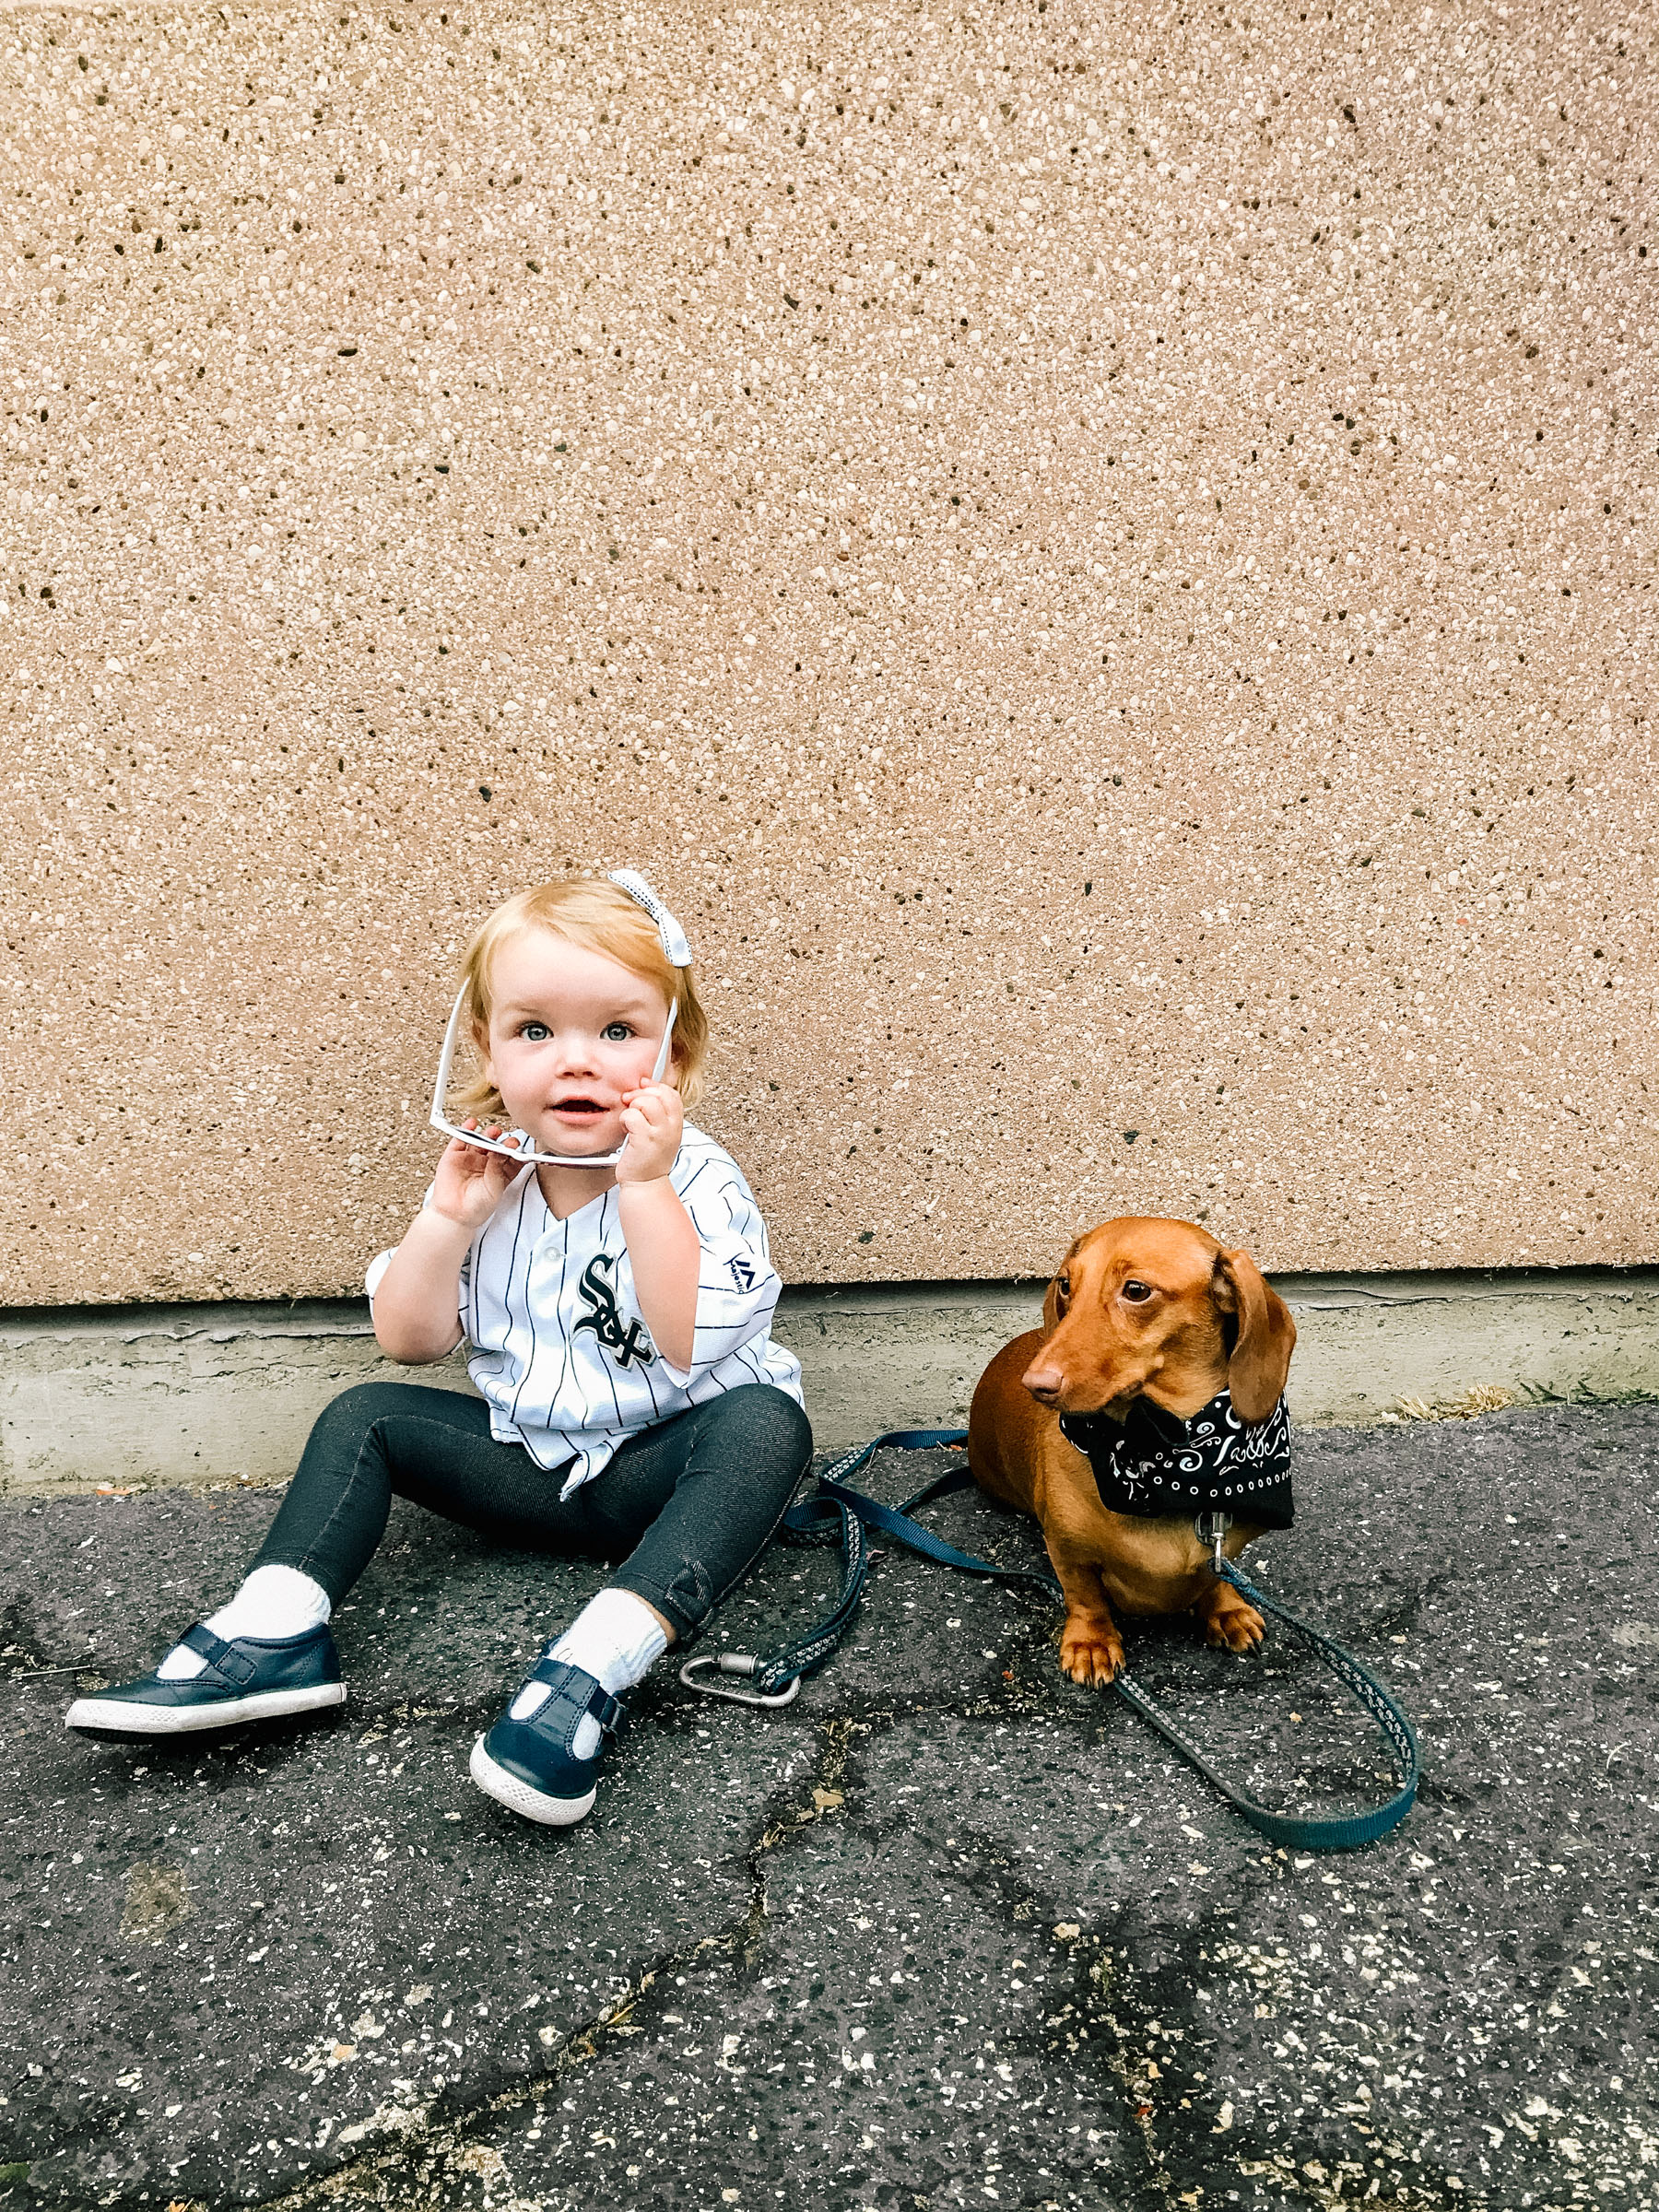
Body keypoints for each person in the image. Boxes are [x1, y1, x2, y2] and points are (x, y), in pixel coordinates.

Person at [67, 872, 811, 1828]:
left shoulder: (695, 1180)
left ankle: (592, 1670)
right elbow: (409, 1340)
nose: (575, 1062)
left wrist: (646, 1188)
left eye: (618, 1032)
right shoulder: (492, 1174)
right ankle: (275, 1631)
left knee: (764, 1422)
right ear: (487, 1049)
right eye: (535, 1031)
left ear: (675, 1051)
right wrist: (447, 1219)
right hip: (531, 1471)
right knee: (366, 1412)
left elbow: (680, 1341)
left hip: (665, 1479)